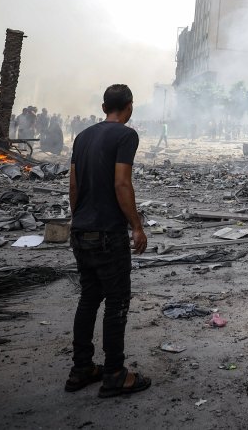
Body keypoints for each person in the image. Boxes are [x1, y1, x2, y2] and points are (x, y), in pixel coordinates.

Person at [66, 84, 150, 398]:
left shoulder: (82, 136)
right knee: (116, 302)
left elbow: (73, 186)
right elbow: (121, 183)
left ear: (104, 107)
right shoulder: (126, 136)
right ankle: (114, 373)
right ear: (129, 107)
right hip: (108, 234)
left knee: (89, 299)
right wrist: (137, 226)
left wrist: (80, 222)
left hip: (82, 231)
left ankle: (81, 369)